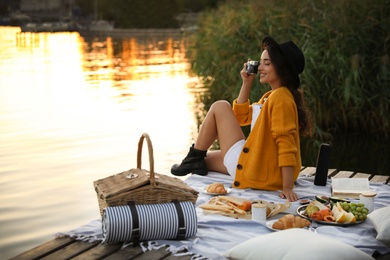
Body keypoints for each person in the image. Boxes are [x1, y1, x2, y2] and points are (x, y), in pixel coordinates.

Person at [171, 36, 312, 202]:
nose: (260, 67)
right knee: (204, 161)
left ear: (282, 68)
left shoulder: (281, 99)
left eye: (267, 63)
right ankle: (195, 159)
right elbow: (241, 117)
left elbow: (286, 144)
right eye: (260, 63)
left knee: (220, 106)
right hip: (257, 164)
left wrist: (287, 187)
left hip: (260, 170)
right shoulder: (272, 96)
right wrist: (247, 83)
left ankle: (193, 156)